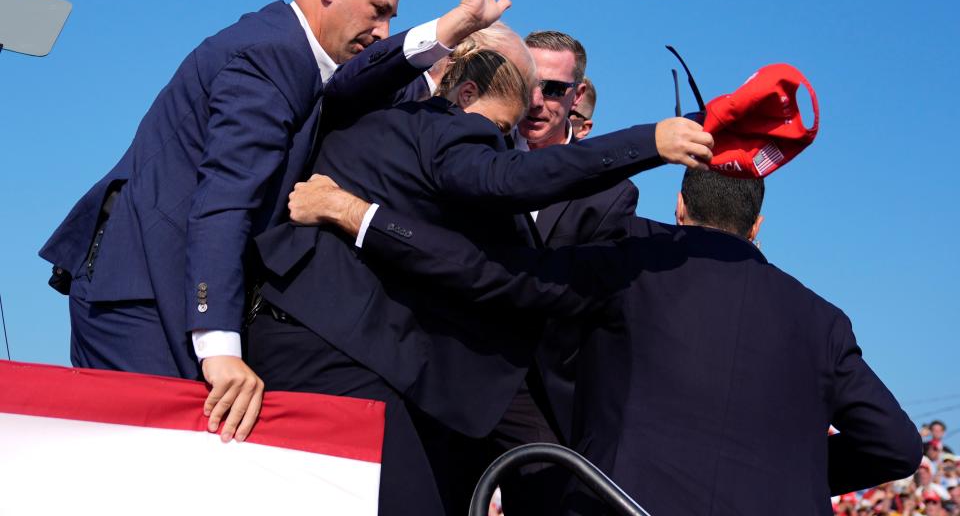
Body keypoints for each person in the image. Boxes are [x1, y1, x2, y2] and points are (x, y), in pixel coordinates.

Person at [39, 0, 513, 443]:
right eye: (378, 10)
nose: (383, 30)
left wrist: (453, 30)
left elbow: (358, 83)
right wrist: (219, 346)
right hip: (139, 295)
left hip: (169, 288)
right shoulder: (268, 57)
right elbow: (226, 199)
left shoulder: (297, 52)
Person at [250, 48, 712, 514]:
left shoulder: (374, 119)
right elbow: (493, 207)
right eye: (502, 127)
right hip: (379, 364)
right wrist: (652, 141)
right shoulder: (455, 132)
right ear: (468, 91)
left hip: (408, 366)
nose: (504, 137)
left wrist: (349, 211)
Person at [304, 169, 922, 515]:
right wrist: (805, 475)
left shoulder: (634, 267)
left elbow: (493, 275)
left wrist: (363, 216)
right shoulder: (823, 319)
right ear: (758, 225)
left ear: (678, 206)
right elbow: (896, 445)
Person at [516, 31, 639, 445]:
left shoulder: (609, 195)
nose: (536, 101)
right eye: (527, 82)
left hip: (543, 406)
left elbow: (590, 306)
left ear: (577, 94)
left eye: (552, 89)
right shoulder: (473, 151)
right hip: (452, 386)